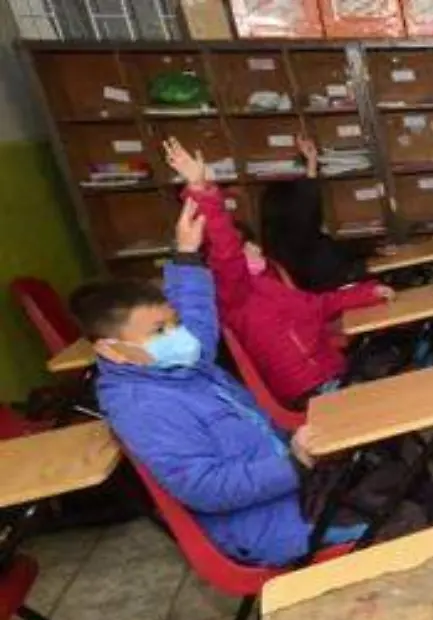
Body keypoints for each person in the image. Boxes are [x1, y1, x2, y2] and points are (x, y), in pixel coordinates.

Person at [73, 202, 360, 567]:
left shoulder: (174, 363)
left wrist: (187, 256)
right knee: (398, 506)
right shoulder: (144, 406)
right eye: (160, 331)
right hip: (271, 522)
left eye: (173, 324)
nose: (178, 335)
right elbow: (205, 488)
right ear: (113, 351)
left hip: (289, 484)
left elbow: (196, 313)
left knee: (392, 464)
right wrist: (294, 464)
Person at [163, 139, 394, 408]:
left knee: (396, 374)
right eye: (243, 246)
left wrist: (368, 293)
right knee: (399, 388)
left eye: (250, 241)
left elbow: (319, 305)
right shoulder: (235, 295)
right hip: (311, 389)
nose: (253, 246)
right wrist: (201, 190)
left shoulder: (268, 283)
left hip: (330, 372)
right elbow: (225, 251)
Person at [258, 136, 369, 293]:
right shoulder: (303, 244)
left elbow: (306, 204)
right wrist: (311, 163)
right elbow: (306, 205)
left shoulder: (276, 243)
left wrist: (312, 162)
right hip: (332, 293)